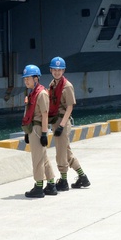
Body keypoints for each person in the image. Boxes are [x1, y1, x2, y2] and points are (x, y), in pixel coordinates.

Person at [46, 56, 89, 191]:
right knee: (66, 151)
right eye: (55, 70)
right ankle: (83, 177)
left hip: (62, 121)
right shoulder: (52, 84)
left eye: (60, 70)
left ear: (63, 70)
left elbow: (70, 107)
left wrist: (61, 126)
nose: (57, 72)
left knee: (60, 152)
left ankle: (63, 180)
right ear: (51, 70)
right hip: (55, 120)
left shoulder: (67, 86)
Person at [20, 64, 56, 198]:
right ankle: (51, 184)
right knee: (43, 157)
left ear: (36, 78)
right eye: (24, 79)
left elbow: (45, 114)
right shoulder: (32, 93)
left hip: (38, 128)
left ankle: (39, 186)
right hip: (33, 128)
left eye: (28, 78)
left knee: (37, 159)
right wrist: (26, 132)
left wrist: (44, 134)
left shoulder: (41, 94)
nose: (26, 81)